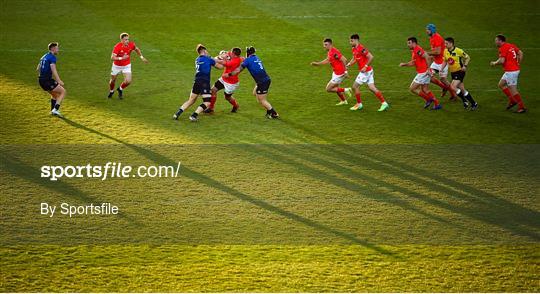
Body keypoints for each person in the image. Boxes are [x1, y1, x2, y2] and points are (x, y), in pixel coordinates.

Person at [173, 44, 223, 122]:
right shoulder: (208, 59)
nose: (207, 52)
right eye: (206, 50)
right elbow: (220, 67)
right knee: (207, 102)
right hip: (204, 83)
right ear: (203, 50)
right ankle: (194, 115)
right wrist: (220, 59)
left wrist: (213, 59)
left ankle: (177, 113)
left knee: (191, 100)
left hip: (196, 82)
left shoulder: (197, 59)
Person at [227, 46, 279, 119]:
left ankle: (273, 113)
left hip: (262, 82)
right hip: (264, 80)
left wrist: (229, 74)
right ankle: (269, 109)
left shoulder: (248, 60)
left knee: (262, 100)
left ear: (248, 53)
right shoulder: (256, 57)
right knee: (255, 93)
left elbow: (238, 70)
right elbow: (246, 60)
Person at [346, 34, 389, 111]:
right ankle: (384, 103)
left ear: (356, 40)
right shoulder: (354, 48)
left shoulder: (361, 48)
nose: (350, 42)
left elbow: (371, 57)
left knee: (355, 87)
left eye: (351, 41)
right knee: (372, 88)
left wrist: (365, 66)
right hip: (369, 71)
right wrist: (349, 64)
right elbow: (355, 58)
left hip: (365, 72)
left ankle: (359, 104)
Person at [399, 37, 442, 110]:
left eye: (409, 43)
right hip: (423, 72)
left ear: (414, 43)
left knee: (412, 88)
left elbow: (427, 57)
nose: (408, 45)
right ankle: (437, 104)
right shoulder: (414, 51)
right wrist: (405, 64)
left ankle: (428, 99)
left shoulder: (418, 49)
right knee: (425, 89)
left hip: (423, 73)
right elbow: (413, 63)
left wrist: (428, 69)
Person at [490, 34, 526, 113]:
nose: (495, 42)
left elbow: (502, 60)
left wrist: (494, 63)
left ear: (500, 41)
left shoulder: (502, 48)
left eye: (496, 41)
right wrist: (518, 63)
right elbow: (520, 53)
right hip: (512, 70)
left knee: (513, 90)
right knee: (501, 84)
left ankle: (522, 107)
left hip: (511, 72)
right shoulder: (511, 45)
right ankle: (512, 101)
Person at [311, 38, 352, 105]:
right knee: (336, 88)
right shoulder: (330, 51)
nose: (324, 46)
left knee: (328, 89)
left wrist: (346, 72)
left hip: (340, 73)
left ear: (330, 44)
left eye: (326, 44)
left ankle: (346, 90)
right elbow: (328, 60)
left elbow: (344, 59)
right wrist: (318, 64)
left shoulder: (334, 52)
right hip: (336, 72)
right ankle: (344, 101)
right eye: (324, 45)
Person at [108, 32, 148, 99]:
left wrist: (142, 57)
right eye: (125, 39)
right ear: (121, 40)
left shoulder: (131, 45)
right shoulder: (117, 47)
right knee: (112, 81)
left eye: (128, 39)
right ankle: (111, 91)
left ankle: (120, 89)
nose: (127, 41)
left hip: (126, 65)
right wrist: (121, 58)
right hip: (116, 66)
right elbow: (112, 57)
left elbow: (136, 49)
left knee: (128, 81)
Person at [441, 37, 478, 110]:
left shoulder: (458, 51)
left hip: (460, 72)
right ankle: (474, 103)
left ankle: (464, 101)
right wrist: (441, 69)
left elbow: (467, 57)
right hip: (453, 73)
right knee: (462, 89)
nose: (445, 45)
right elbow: (445, 61)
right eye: (445, 43)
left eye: (446, 43)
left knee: (453, 87)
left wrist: (465, 66)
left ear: (451, 44)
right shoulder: (445, 51)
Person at [205, 48, 242, 113]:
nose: (230, 53)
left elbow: (222, 62)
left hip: (231, 83)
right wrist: (222, 54)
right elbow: (226, 54)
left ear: (234, 54)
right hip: (224, 79)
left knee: (227, 97)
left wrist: (210, 57)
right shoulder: (234, 55)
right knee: (213, 90)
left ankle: (236, 106)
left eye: (231, 53)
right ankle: (211, 108)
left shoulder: (234, 61)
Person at [426, 24, 456, 100]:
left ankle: (453, 95)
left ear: (432, 30)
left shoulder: (437, 38)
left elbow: (438, 52)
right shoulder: (432, 38)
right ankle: (444, 87)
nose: (426, 31)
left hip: (443, 62)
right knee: (428, 76)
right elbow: (434, 51)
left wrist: (426, 53)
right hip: (436, 62)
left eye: (428, 29)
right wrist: (430, 59)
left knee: (443, 79)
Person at [37, 42, 66, 117]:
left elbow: (38, 68)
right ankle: (55, 109)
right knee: (63, 91)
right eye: (57, 48)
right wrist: (58, 80)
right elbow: (53, 69)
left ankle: (53, 111)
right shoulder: (52, 57)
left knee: (54, 95)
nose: (58, 50)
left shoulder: (44, 56)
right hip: (47, 80)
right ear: (53, 49)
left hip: (41, 80)